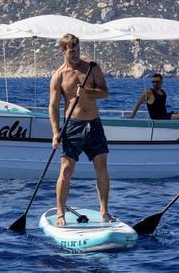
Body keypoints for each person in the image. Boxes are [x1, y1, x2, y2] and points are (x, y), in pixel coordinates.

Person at [50, 33, 112, 226]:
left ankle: (104, 211)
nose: (75, 54)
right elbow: (53, 106)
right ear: (63, 51)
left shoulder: (92, 67)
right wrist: (55, 132)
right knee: (66, 169)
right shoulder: (59, 76)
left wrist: (88, 92)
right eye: (71, 51)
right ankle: (61, 213)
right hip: (73, 126)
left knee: (101, 167)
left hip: (94, 124)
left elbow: (105, 92)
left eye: (77, 50)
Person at [128, 73, 179, 138]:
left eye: (157, 82)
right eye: (153, 82)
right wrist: (132, 116)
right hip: (158, 118)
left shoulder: (163, 93)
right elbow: (138, 103)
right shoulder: (149, 92)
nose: (155, 83)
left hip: (165, 115)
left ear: (161, 82)